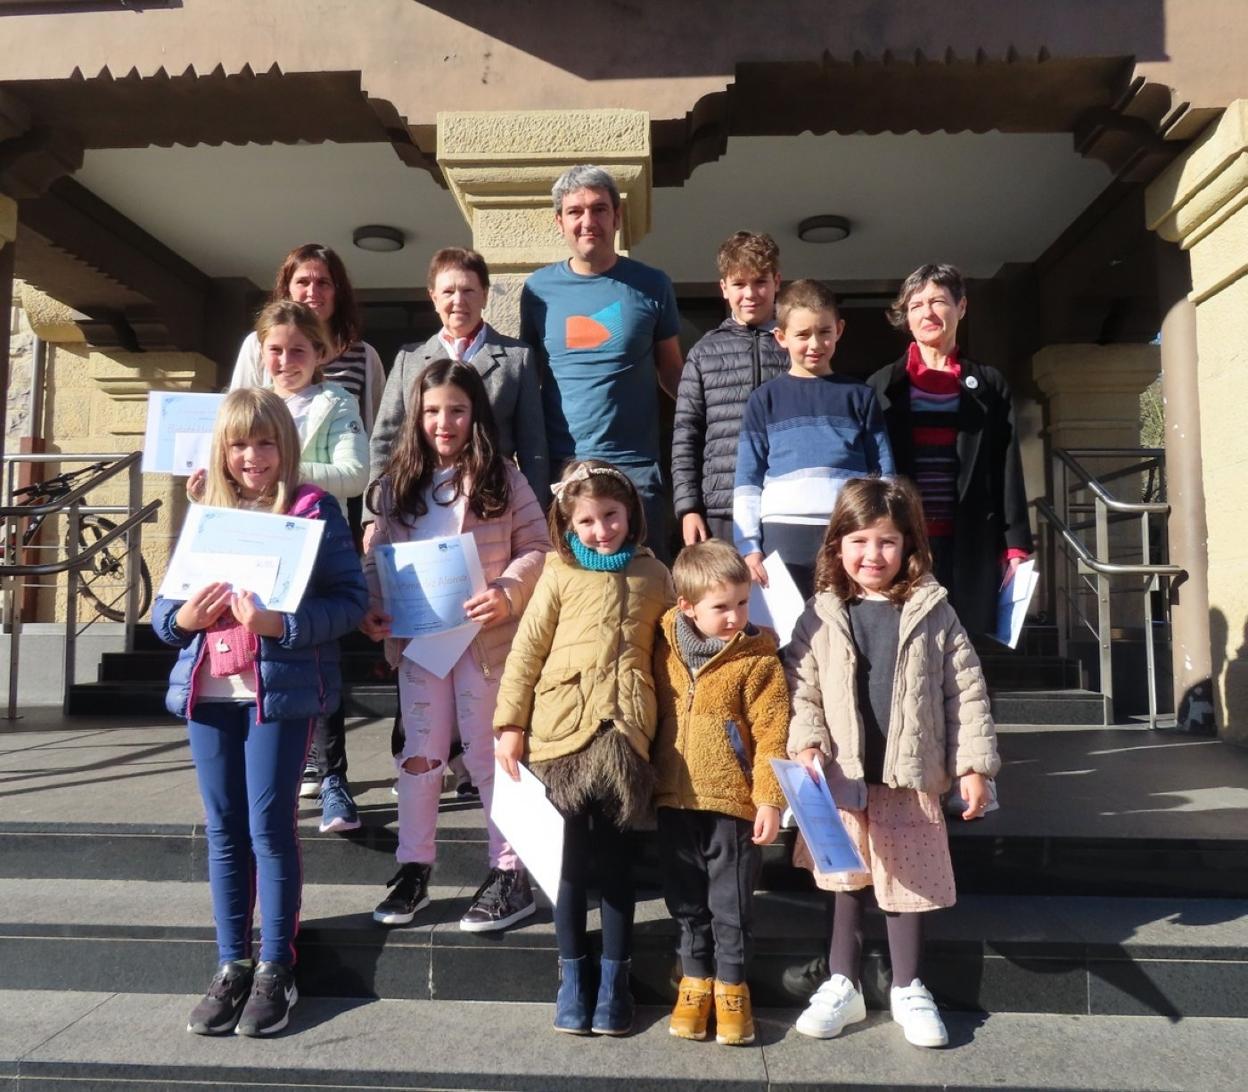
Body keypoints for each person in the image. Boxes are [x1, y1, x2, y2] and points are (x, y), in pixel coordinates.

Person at [153, 387, 367, 1037]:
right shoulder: (207, 511)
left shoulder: (314, 509)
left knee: (269, 828)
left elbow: (350, 602)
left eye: (266, 442)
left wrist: (282, 624)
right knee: (223, 832)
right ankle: (231, 964)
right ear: (222, 449)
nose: (252, 456)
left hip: (278, 693)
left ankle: (276, 967)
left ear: (286, 447)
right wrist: (182, 618)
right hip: (209, 695)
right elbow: (166, 612)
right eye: (240, 444)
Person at [784, 476, 999, 1049]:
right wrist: (806, 742)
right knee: (846, 881)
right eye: (858, 541)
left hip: (907, 779)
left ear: (908, 547)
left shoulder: (934, 611)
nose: (872, 555)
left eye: (886, 542)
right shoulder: (821, 614)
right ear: (836, 547)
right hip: (842, 777)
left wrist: (973, 766)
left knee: (907, 885)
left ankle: (908, 985)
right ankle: (842, 983)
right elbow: (799, 684)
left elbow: (966, 690)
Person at [359, 360, 550, 932]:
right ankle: (414, 866)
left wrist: (507, 593)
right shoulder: (396, 485)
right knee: (420, 758)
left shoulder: (505, 478)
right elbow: (377, 556)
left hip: (485, 643)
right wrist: (373, 605)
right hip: (421, 645)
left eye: (458, 411)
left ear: (476, 417)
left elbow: (539, 547)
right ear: (417, 415)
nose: (445, 422)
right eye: (433, 410)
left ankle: (509, 870)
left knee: (492, 755)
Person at [494, 459, 675, 1037]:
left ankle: (616, 982)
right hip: (560, 731)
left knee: (618, 865)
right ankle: (574, 977)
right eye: (588, 521)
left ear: (631, 514)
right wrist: (510, 724)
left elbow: (671, 654)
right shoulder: (558, 572)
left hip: (625, 732)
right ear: (569, 524)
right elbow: (526, 650)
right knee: (567, 864)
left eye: (611, 516)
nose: (602, 530)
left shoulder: (655, 574)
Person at [651, 539, 789, 1046]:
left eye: (742, 604)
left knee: (730, 903)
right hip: (673, 796)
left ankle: (732, 986)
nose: (734, 617)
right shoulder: (662, 646)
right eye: (721, 607)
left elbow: (774, 732)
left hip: (732, 802)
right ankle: (695, 981)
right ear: (686, 607)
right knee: (686, 900)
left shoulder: (759, 661)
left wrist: (770, 797)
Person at [520, 164, 684, 562]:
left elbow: (673, 373)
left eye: (598, 209)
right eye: (575, 211)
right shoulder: (538, 290)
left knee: (646, 595)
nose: (587, 221)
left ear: (617, 216)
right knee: (573, 597)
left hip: (637, 471)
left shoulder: (652, 285)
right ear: (559, 221)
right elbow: (528, 381)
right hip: (564, 473)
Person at [867, 262, 1032, 636]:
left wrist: (1016, 546)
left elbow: (1006, 466)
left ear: (961, 308)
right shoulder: (881, 385)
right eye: (916, 305)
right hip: (904, 541)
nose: (927, 312)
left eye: (938, 301)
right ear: (906, 318)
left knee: (965, 649)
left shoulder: (988, 384)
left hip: (971, 538)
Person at [733, 280, 894, 599]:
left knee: (847, 626)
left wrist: (884, 533)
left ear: (839, 330)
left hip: (850, 530)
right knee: (790, 636)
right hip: (782, 534)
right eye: (802, 334)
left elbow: (884, 473)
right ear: (781, 337)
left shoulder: (860, 397)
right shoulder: (764, 400)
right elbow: (747, 480)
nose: (815, 343)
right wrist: (749, 547)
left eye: (824, 331)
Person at [369, 246, 548, 508]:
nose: (458, 300)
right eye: (448, 291)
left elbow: (533, 448)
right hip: (419, 505)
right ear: (433, 298)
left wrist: (534, 514)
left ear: (485, 296)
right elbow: (385, 440)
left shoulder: (517, 358)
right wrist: (374, 514)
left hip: (492, 504)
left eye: (468, 290)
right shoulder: (410, 359)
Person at [672, 232, 788, 545]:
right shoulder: (703, 352)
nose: (750, 293)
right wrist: (688, 508)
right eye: (739, 284)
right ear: (724, 288)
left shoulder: (796, 346)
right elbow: (686, 435)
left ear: (777, 281)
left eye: (760, 281)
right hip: (722, 508)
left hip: (786, 504)